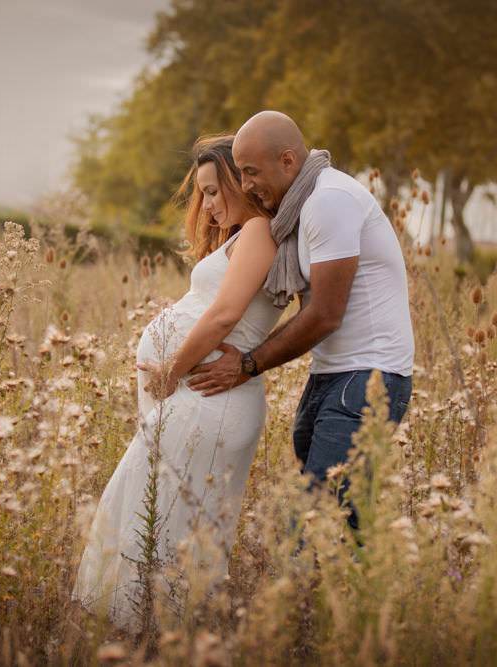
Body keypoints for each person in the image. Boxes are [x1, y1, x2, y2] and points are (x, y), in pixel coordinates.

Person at [72, 135, 285, 631]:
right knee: (158, 513)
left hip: (208, 398)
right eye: (203, 194)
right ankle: (151, 633)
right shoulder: (243, 236)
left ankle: (157, 634)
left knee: (170, 523)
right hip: (199, 396)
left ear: (242, 180)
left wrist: (170, 372)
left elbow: (224, 316)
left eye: (215, 191)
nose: (208, 206)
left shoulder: (258, 232)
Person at [186, 110, 414, 534]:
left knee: (314, 525)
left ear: (288, 161)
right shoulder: (301, 207)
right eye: (240, 173)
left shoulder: (329, 201)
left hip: (368, 377)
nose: (247, 184)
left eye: (252, 172)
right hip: (332, 374)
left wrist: (247, 363)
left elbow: (326, 313)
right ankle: (356, 595)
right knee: (342, 522)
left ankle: (340, 594)